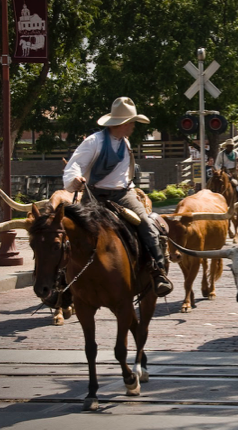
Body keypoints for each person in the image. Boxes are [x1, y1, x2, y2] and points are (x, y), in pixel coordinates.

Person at [63, 97, 173, 297]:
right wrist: (76, 178)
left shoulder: (126, 142)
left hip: (123, 194)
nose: (133, 126)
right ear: (122, 124)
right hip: (94, 194)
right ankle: (63, 282)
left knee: (147, 225)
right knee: (72, 231)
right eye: (131, 122)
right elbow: (75, 164)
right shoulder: (94, 141)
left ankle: (158, 272)